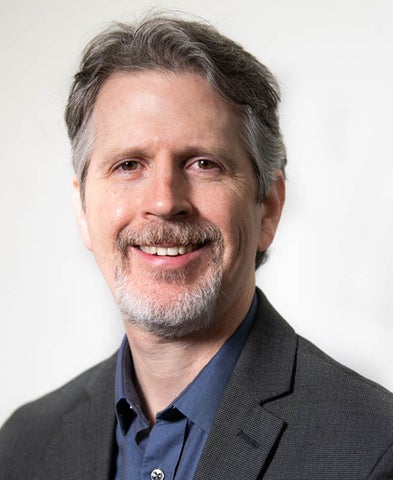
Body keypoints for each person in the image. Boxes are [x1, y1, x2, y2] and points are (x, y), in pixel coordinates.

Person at [1, 14, 393, 480]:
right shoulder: (23, 446)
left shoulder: (373, 449)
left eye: (203, 163)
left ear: (267, 206)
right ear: (84, 211)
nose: (165, 201)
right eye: (129, 165)